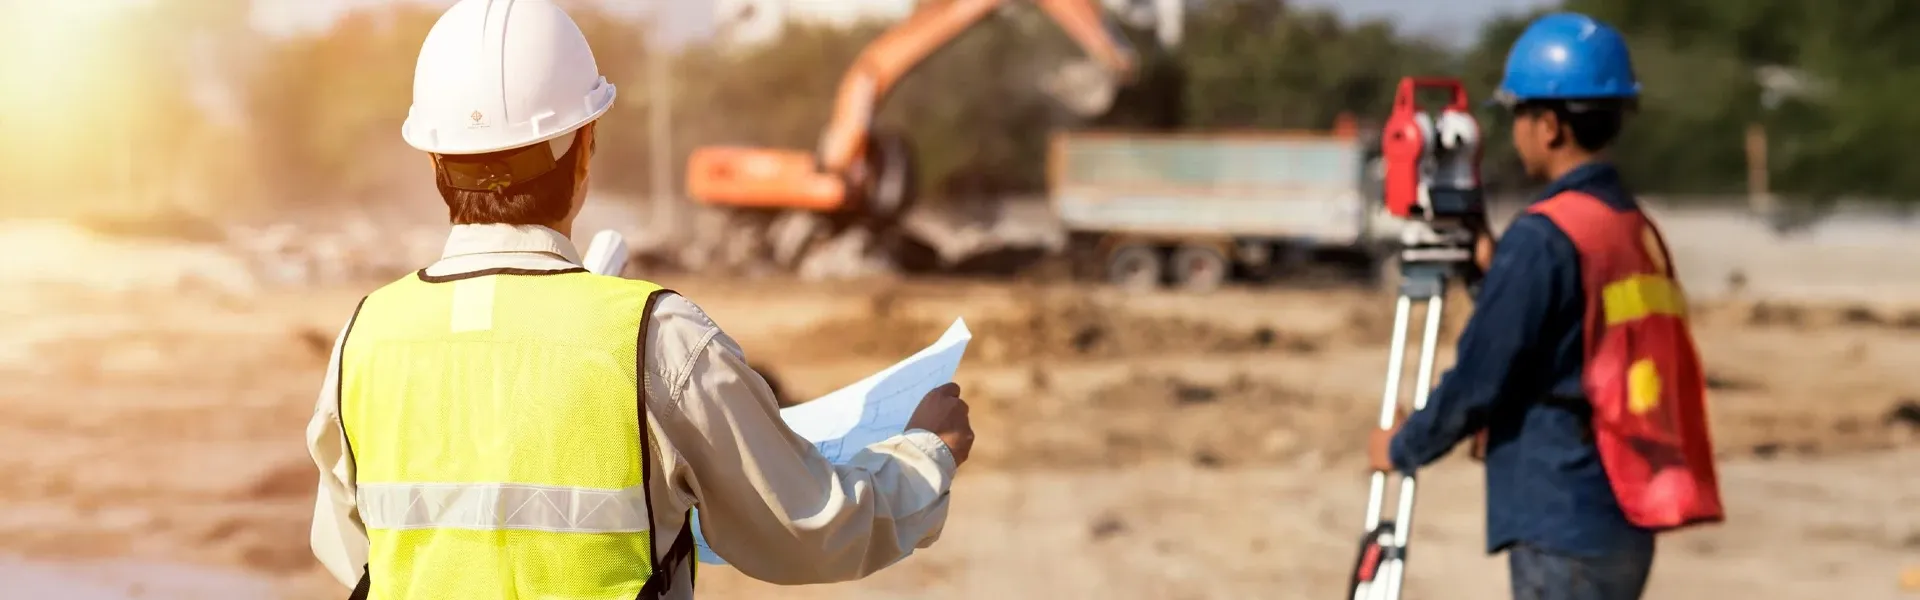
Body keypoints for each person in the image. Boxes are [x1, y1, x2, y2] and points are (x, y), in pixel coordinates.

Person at [303, 2, 975, 598]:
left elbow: (351, 552)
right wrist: (924, 453)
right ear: (585, 147)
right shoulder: (658, 340)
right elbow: (810, 529)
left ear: (433, 161)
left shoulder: (364, 339)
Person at [1367, 12, 1724, 600]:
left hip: (1561, 513)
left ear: (1551, 126)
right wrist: (1493, 274)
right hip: (1620, 506)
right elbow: (1565, 337)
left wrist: (1403, 447)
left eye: (1519, 116)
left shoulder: (1544, 237)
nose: (1513, 133)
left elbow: (1482, 375)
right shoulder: (1627, 226)